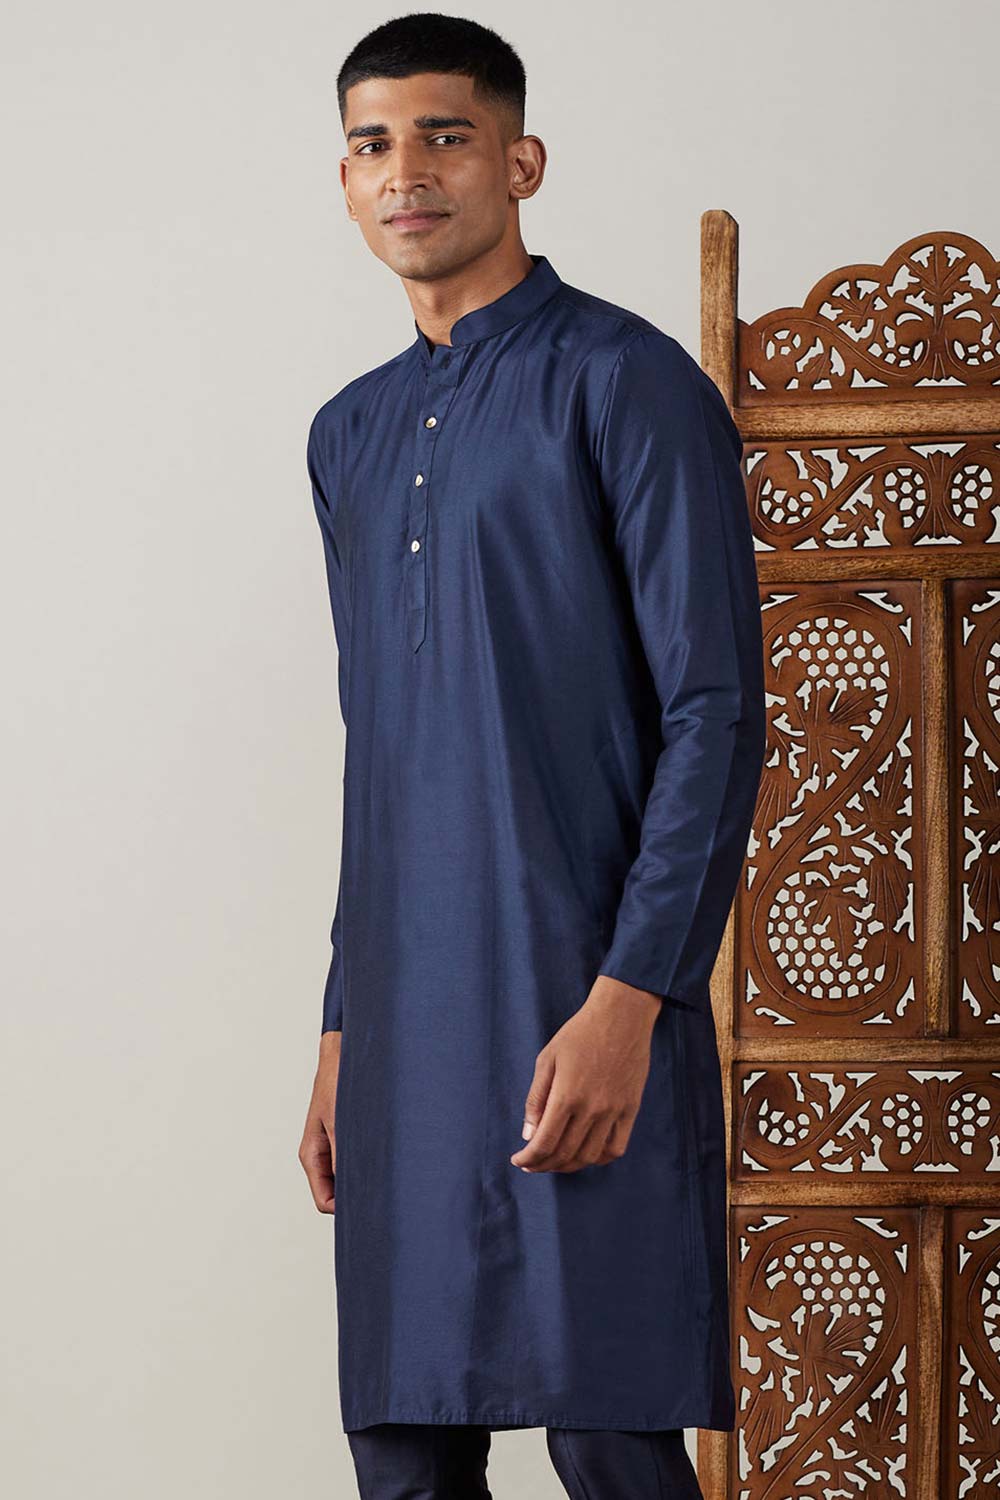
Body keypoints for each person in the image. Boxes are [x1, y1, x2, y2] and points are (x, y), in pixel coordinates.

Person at [298, 13, 766, 1499]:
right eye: (374, 144)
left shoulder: (628, 384)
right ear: (344, 180)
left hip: (583, 992)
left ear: (522, 161)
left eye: (444, 135)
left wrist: (634, 1000)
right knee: (404, 1450)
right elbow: (383, 755)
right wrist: (340, 1030)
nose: (407, 172)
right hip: (404, 1030)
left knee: (611, 1437)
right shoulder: (348, 435)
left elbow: (716, 711)